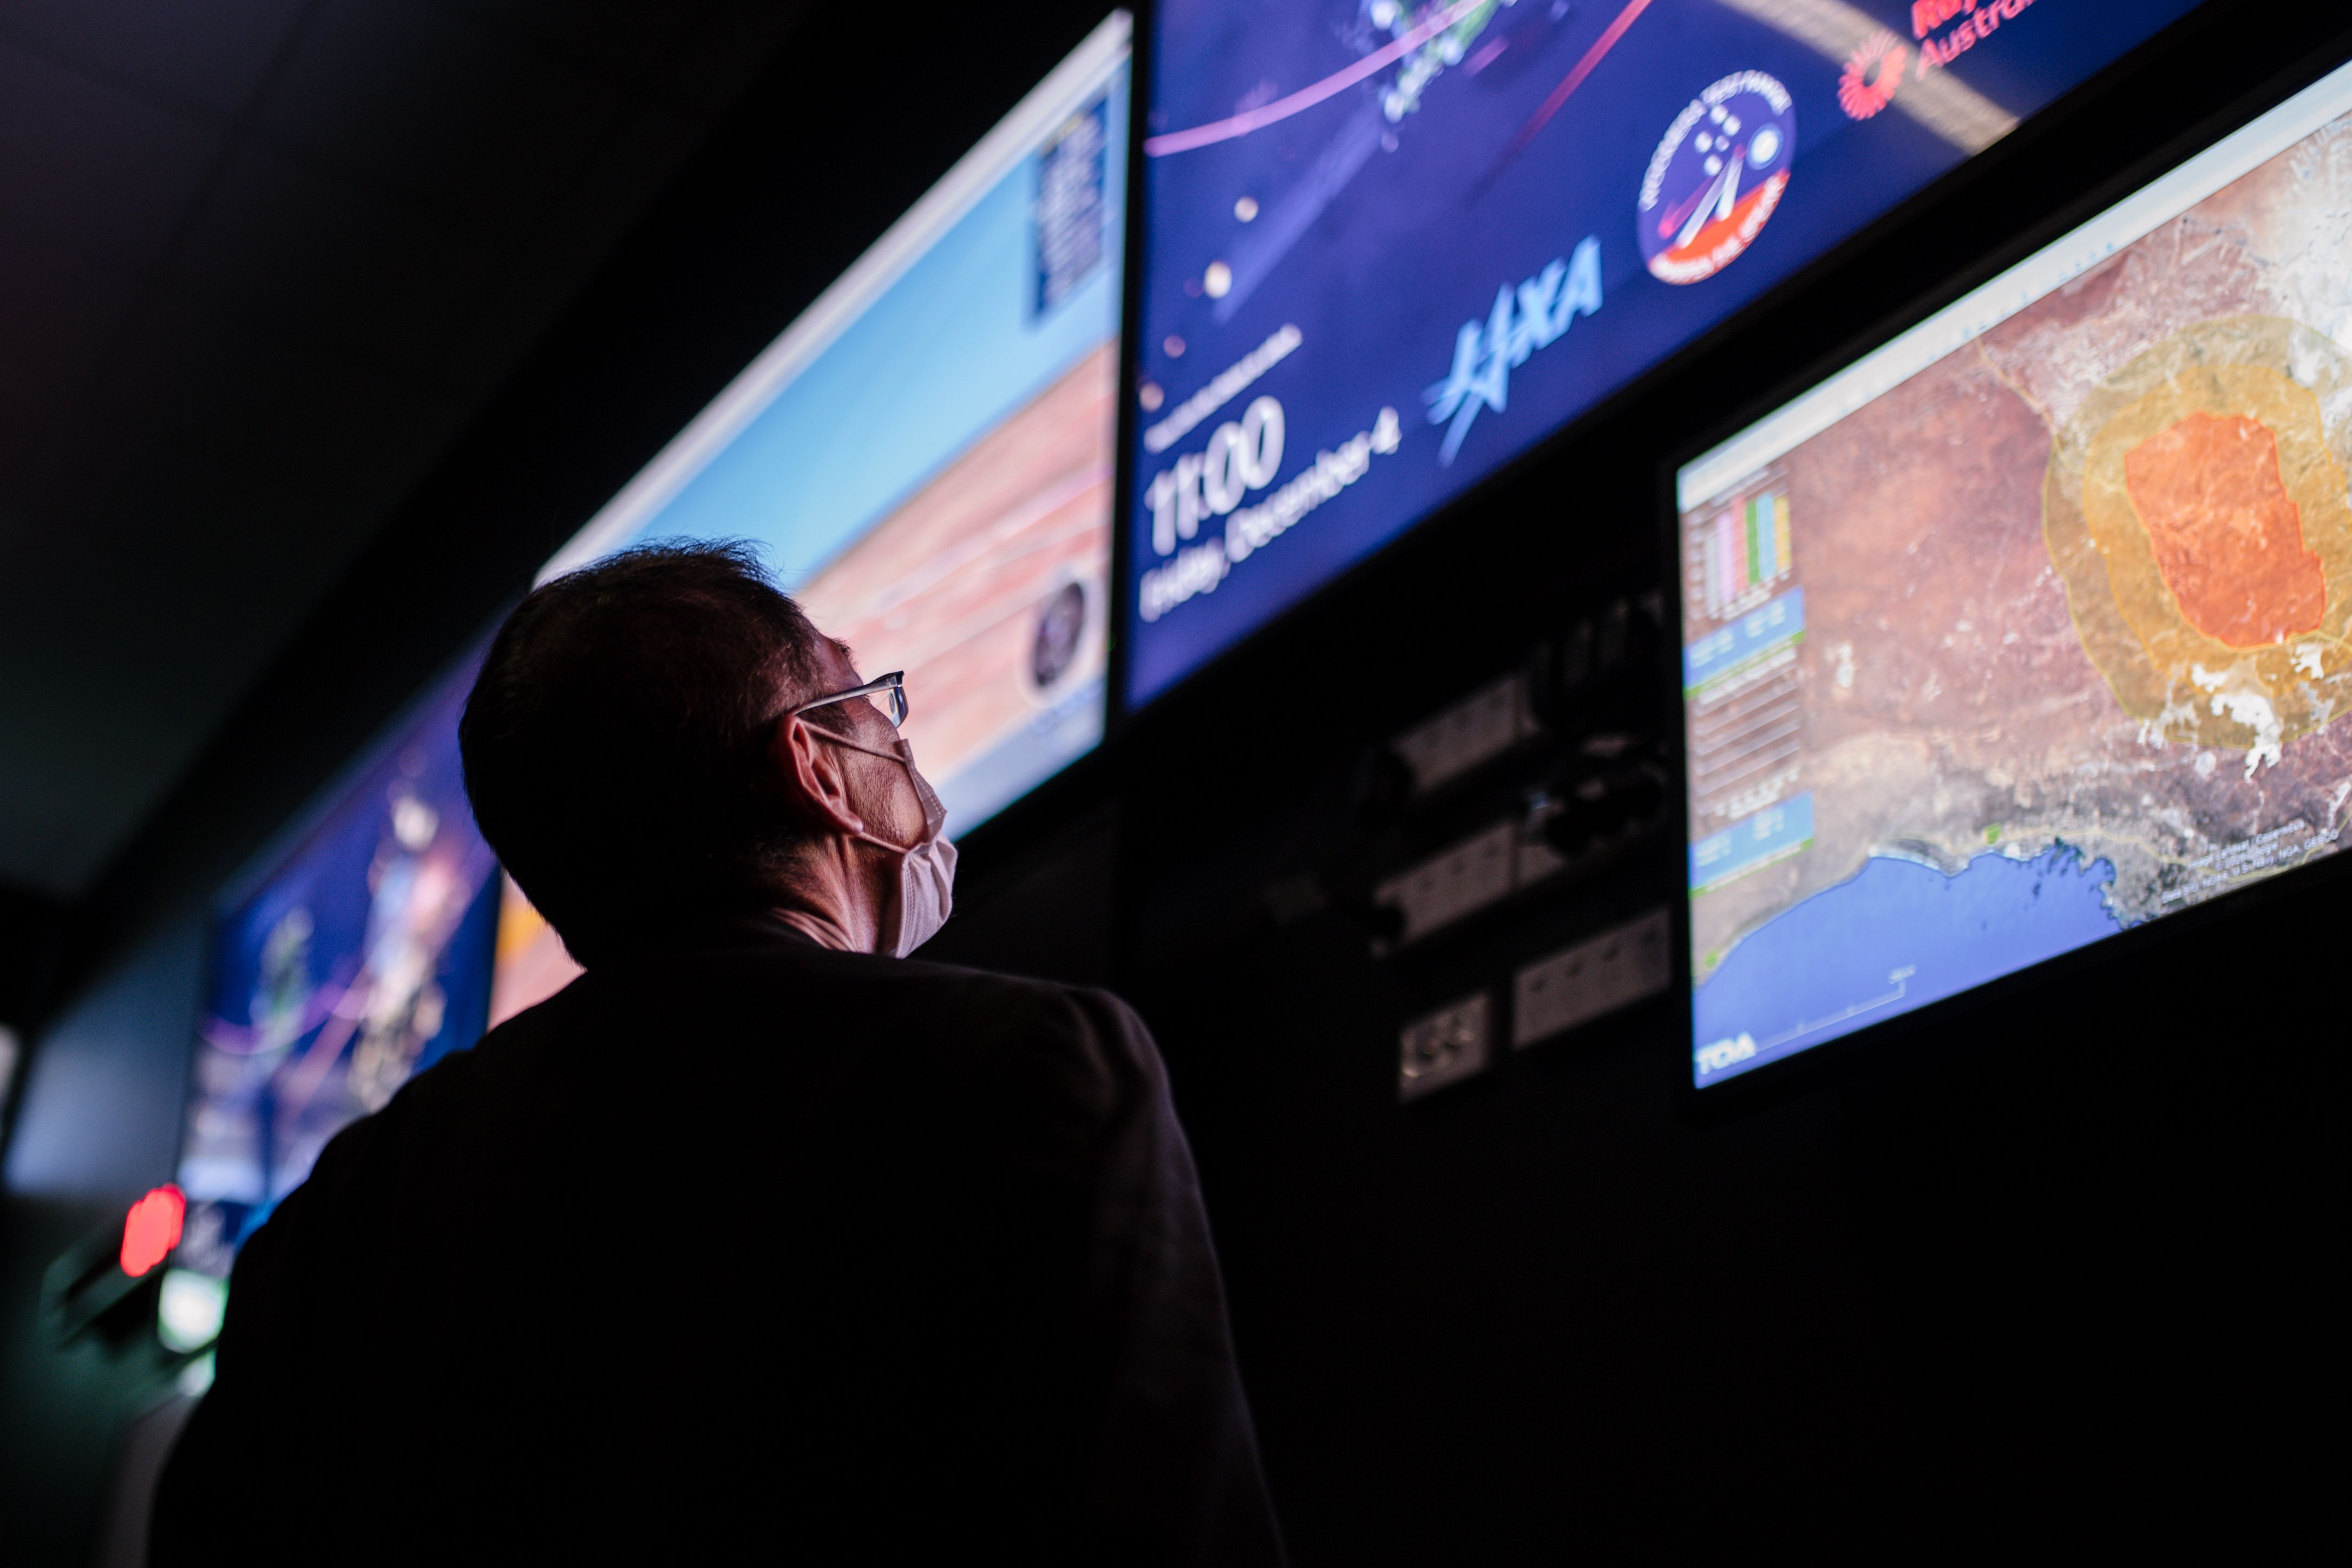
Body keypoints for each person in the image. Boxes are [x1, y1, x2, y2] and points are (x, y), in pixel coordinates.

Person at [152, 543, 1283, 1566]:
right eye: (873, 707)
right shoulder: (1033, 1067)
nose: (905, 743)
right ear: (818, 768)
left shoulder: (335, 1223)